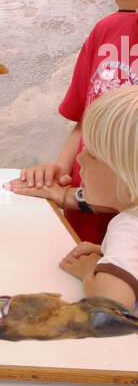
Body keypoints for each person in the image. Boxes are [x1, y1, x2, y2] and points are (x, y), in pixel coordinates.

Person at [8, 0, 138, 238]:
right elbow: (84, 120)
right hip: (80, 230)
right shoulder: (107, 32)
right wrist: (59, 172)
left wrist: (71, 196)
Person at [56, 85, 138, 307]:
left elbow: (110, 304)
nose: (80, 158)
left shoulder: (129, 229)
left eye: (92, 154)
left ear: (128, 178)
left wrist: (88, 271)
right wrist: (106, 253)